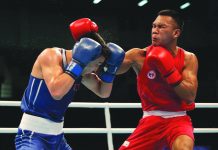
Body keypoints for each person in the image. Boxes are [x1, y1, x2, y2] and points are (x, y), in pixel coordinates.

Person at [14, 18, 125, 150]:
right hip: (32, 137)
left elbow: (103, 92)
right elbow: (57, 92)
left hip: (58, 138)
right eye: (97, 64)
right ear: (87, 57)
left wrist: (110, 72)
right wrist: (77, 64)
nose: (96, 69)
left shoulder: (81, 71)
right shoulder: (51, 55)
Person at [118, 9, 198, 150]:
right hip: (151, 120)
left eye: (161, 27)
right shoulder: (139, 56)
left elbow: (190, 96)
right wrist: (106, 55)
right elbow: (112, 70)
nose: (155, 30)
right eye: (154, 26)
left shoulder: (188, 58)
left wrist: (168, 70)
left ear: (176, 33)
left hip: (178, 120)